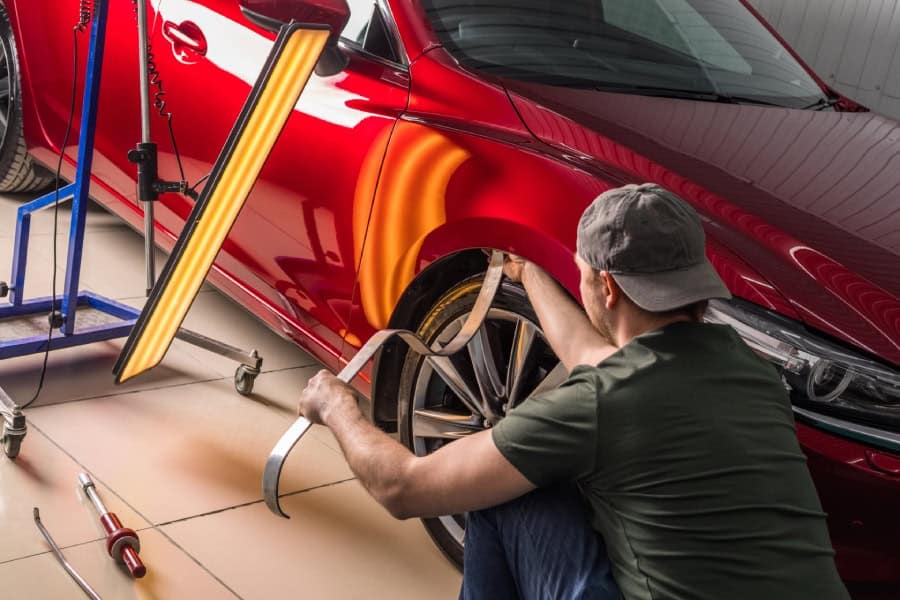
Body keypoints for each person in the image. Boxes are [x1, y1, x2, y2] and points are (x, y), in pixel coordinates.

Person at [297, 183, 848, 599]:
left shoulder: (599, 403)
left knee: (499, 488)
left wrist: (338, 406)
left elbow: (403, 488)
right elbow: (604, 361)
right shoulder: (748, 368)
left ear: (605, 287)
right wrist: (530, 276)